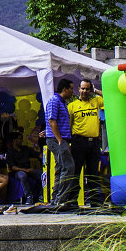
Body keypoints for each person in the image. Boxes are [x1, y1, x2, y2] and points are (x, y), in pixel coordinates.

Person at [67, 79, 106, 207]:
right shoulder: (72, 106)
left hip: (94, 142)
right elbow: (68, 124)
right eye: (82, 88)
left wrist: (96, 91)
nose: (84, 91)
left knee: (93, 173)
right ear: (79, 89)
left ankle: (95, 202)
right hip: (78, 142)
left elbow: (108, 97)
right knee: (76, 172)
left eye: (87, 89)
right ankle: (73, 201)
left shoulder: (96, 101)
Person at [45, 78, 76, 207]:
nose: (72, 92)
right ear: (64, 89)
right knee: (69, 167)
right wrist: (59, 139)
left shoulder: (62, 102)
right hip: (57, 139)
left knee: (60, 168)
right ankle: (61, 199)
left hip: (60, 139)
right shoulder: (54, 101)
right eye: (71, 89)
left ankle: (56, 198)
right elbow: (52, 121)